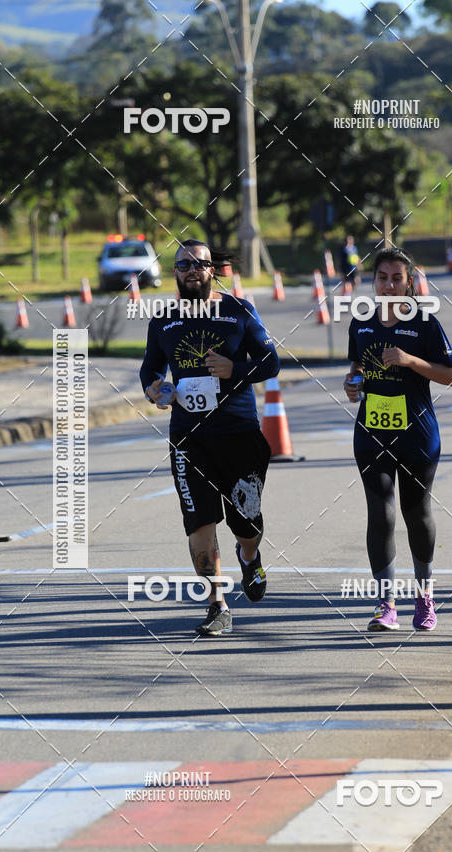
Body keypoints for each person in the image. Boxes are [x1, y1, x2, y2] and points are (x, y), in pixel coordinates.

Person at [140, 239, 280, 636]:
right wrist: (155, 388)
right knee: (199, 526)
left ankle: (249, 557)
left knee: (245, 523)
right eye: (183, 265)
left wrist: (234, 369)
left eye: (198, 264)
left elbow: (272, 362)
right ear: (175, 273)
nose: (191, 271)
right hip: (188, 439)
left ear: (211, 270)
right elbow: (149, 369)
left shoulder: (237, 311)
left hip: (239, 435)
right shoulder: (164, 319)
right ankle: (216, 604)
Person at [343, 247, 452, 632]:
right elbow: (357, 366)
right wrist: (352, 383)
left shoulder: (425, 323)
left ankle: (424, 597)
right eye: (382, 278)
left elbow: (450, 375)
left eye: (397, 278)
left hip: (417, 434)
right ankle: (385, 604)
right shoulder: (361, 323)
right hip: (372, 431)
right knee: (381, 513)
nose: (389, 285)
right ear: (373, 282)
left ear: (409, 283)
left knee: (415, 511)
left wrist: (410, 361)